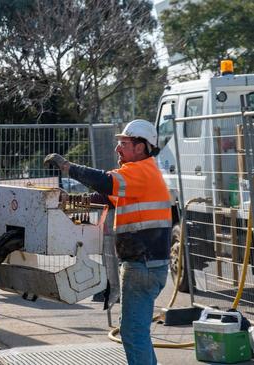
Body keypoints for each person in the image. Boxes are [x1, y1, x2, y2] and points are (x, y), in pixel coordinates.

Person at [44, 119, 171, 365]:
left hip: (143, 264)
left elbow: (104, 181)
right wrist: (70, 203)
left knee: (133, 333)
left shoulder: (140, 171)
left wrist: (67, 167)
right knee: (135, 331)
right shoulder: (142, 175)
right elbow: (106, 197)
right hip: (146, 264)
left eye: (124, 143)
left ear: (141, 147)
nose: (117, 149)